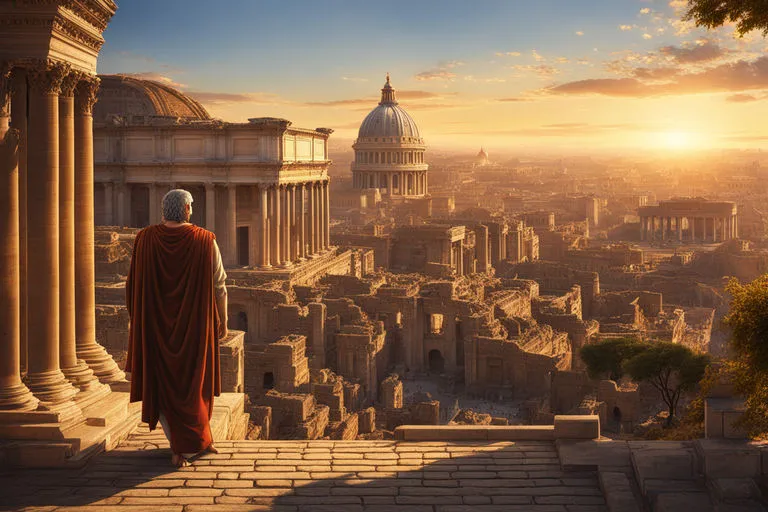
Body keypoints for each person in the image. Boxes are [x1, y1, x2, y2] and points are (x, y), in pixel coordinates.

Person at [126, 189, 228, 467]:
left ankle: (196, 442)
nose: (192, 210)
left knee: (165, 387)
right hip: (195, 328)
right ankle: (182, 448)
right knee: (195, 385)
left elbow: (133, 283)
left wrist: (140, 318)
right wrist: (223, 319)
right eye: (191, 206)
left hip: (155, 328)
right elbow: (219, 285)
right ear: (184, 209)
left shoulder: (144, 239)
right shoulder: (205, 241)